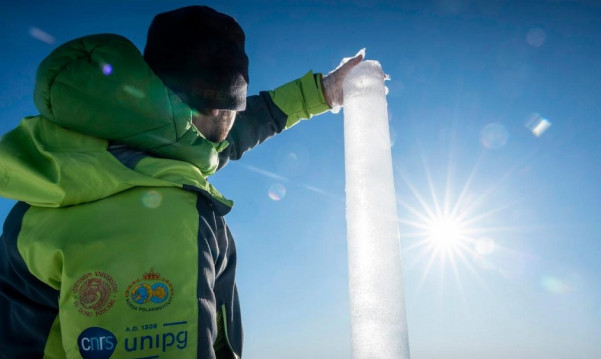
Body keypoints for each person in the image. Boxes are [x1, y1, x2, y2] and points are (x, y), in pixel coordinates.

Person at [0, 5, 361, 359]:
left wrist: (322, 93)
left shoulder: (108, 151)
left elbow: (221, 141)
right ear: (223, 108)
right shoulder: (159, 213)